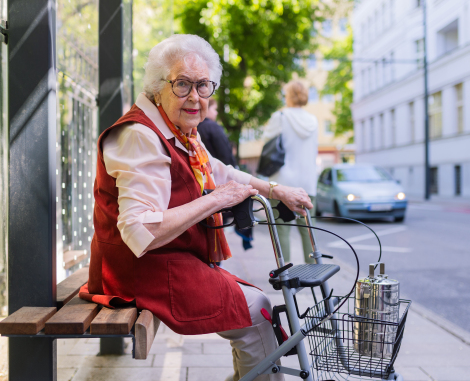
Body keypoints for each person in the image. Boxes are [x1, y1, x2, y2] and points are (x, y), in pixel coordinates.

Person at [79, 34, 312, 381]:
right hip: (138, 270)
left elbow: (218, 170)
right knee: (256, 311)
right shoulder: (139, 136)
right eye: (183, 84)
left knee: (257, 302)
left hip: (167, 258)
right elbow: (139, 231)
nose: (194, 97)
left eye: (203, 86)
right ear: (159, 86)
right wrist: (215, 200)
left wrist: (277, 190)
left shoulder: (178, 129)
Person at [262, 81, 319, 265]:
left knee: (282, 230)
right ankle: (313, 276)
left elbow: (266, 142)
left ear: (288, 95)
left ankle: (285, 277)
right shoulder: (314, 121)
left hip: (282, 185)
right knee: (309, 231)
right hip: (308, 184)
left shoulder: (279, 117)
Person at [198, 98, 254, 252]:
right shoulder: (213, 128)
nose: (216, 113)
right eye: (215, 110)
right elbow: (225, 156)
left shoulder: (192, 128)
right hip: (217, 183)